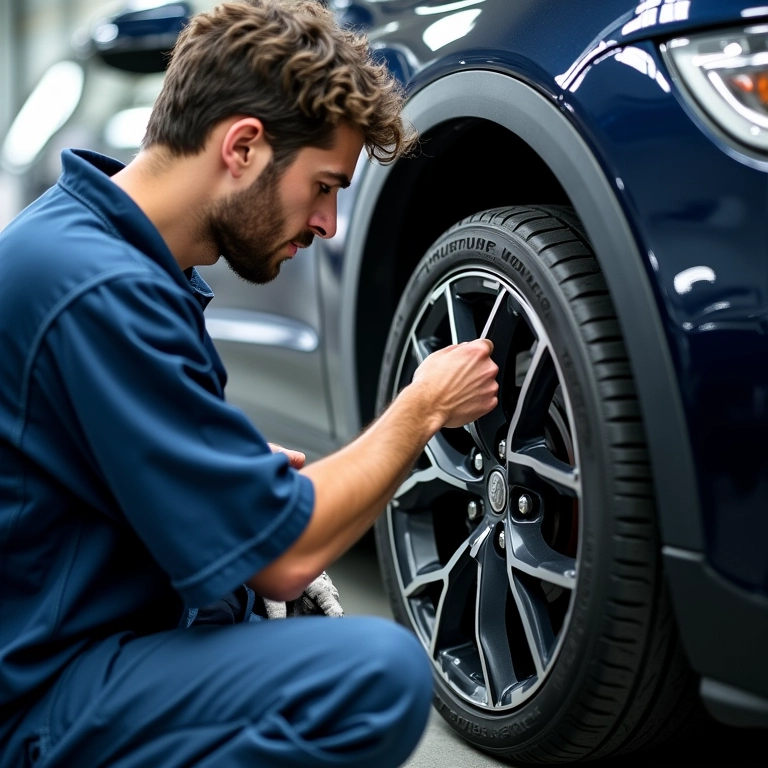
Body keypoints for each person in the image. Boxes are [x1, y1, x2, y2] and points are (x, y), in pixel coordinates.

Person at [0, 1, 499, 766]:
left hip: (71, 642)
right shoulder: (100, 288)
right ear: (242, 146)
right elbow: (285, 557)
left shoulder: (98, 252)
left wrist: (214, 477)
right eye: (324, 186)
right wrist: (423, 407)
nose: (329, 223)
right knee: (378, 675)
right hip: (43, 697)